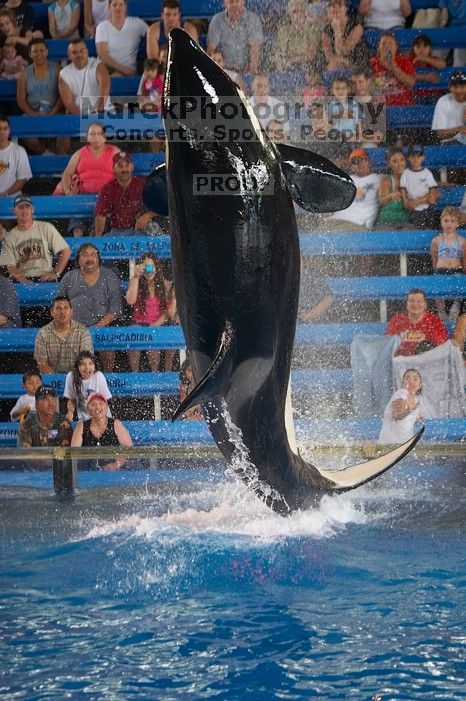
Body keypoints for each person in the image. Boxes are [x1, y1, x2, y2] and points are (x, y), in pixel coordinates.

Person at [58, 243, 123, 371]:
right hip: (74, 329)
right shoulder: (69, 277)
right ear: (78, 259)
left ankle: (106, 382)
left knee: (108, 346)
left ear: (99, 258)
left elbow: (114, 310)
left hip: (102, 328)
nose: (89, 258)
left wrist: (96, 328)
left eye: (93, 254)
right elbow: (59, 305)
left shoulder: (110, 277)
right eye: (85, 255)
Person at [54, 121, 120, 235]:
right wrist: (68, 192)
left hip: (106, 196)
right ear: (87, 137)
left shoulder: (114, 151)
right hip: (83, 195)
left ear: (104, 136)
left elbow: (123, 173)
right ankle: (77, 244)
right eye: (92, 134)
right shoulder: (80, 153)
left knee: (97, 227)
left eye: (98, 133)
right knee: (77, 226)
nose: (95, 137)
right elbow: (67, 173)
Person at [0, 195, 71, 283]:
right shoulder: (10, 237)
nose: (24, 210)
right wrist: (23, 280)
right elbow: (10, 266)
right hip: (22, 279)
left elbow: (66, 251)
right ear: (14, 211)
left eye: (27, 206)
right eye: (20, 207)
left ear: (32, 209)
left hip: (46, 277)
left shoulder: (46, 227)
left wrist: (55, 273)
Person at [16, 39, 68, 157]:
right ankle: (46, 153)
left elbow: (63, 96)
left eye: (42, 50)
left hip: (55, 111)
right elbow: (21, 100)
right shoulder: (24, 74)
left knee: (66, 129)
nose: (39, 53)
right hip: (33, 113)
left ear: (47, 52)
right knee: (23, 129)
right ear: (30, 54)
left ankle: (61, 162)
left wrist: (52, 112)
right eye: (35, 51)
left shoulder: (57, 69)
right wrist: (32, 114)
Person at [125, 252, 175, 372]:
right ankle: (135, 376)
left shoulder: (165, 285)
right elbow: (130, 301)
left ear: (157, 268)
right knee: (134, 335)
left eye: (151, 267)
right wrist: (136, 277)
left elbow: (168, 313)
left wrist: (154, 325)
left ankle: (155, 377)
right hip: (139, 323)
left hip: (157, 324)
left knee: (154, 344)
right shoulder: (136, 280)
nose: (149, 271)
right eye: (145, 267)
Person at [94, 151, 156, 236]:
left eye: (127, 165)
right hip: (117, 232)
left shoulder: (143, 184)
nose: (124, 169)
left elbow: (163, 204)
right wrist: (98, 239)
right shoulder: (107, 189)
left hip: (141, 230)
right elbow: (101, 215)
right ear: (113, 168)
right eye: (120, 166)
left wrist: (148, 215)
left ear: (132, 167)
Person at [71, 393, 133, 470]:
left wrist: (116, 464)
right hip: (88, 473)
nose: (97, 407)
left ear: (106, 407)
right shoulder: (81, 426)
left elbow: (129, 449)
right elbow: (74, 453)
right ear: (88, 409)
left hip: (114, 473)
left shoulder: (116, 424)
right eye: (93, 404)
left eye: (101, 403)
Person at [33, 296, 94, 374]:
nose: (62, 312)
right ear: (52, 312)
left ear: (71, 311)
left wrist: (73, 380)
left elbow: (86, 361)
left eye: (66, 308)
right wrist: (57, 380)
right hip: (51, 381)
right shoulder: (43, 333)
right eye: (58, 308)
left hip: (78, 379)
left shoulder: (83, 332)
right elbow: (42, 364)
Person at [326, 147, 380, 230]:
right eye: (354, 162)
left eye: (362, 160)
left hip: (357, 223)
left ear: (369, 161)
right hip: (335, 220)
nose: (359, 164)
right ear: (351, 166)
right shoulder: (346, 179)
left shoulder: (379, 179)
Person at [385, 288, 449, 356]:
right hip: (401, 362)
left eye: (419, 301)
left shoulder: (434, 321)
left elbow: (441, 347)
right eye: (411, 301)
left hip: (426, 362)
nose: (415, 304)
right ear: (406, 304)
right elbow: (388, 345)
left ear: (425, 304)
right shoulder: (397, 320)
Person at [59, 38, 113, 115]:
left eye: (82, 51)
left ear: (87, 52)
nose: (79, 54)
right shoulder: (63, 74)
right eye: (74, 52)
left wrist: (98, 112)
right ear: (69, 55)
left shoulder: (98, 65)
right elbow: (69, 103)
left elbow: (105, 87)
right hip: (77, 115)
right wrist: (83, 120)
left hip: (102, 111)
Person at [207, 0, 263, 74]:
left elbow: (255, 48)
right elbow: (211, 49)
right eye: (231, 1)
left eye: (237, 1)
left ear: (243, 2)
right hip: (223, 71)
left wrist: (252, 71)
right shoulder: (217, 20)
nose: (234, 5)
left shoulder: (253, 20)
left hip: (245, 71)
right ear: (225, 3)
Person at [95, 0, 148, 76]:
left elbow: (152, 34)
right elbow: (102, 55)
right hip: (107, 69)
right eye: (114, 5)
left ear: (125, 7)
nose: (117, 8)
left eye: (121, 4)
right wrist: (123, 69)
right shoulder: (102, 27)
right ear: (109, 7)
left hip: (129, 70)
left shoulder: (137, 24)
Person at [378, 368, 431, 444]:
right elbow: (397, 416)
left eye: (415, 379)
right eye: (407, 378)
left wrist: (415, 418)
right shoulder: (401, 393)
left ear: (420, 385)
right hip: (390, 444)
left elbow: (406, 418)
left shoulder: (415, 400)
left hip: (406, 443)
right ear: (403, 383)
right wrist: (409, 410)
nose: (411, 381)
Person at [430, 206, 465, 319]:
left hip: (456, 269)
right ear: (441, 222)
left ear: (457, 223)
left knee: (459, 284)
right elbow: (434, 258)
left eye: (452, 221)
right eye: (446, 220)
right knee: (437, 287)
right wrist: (437, 268)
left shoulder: (462, 241)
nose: (449, 224)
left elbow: (464, 260)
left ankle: (456, 305)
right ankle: (441, 311)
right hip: (441, 269)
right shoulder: (436, 240)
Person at [399, 143, 440, 229]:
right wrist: (406, 202)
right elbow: (403, 190)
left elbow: (432, 195)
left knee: (428, 228)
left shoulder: (427, 173)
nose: (415, 159)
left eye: (418, 156)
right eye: (413, 156)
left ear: (423, 157)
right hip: (414, 209)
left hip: (427, 207)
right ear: (408, 158)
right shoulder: (405, 173)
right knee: (417, 229)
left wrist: (419, 201)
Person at [370, 31, 415, 106]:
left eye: (390, 43)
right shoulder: (371, 63)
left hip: (402, 107)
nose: (387, 46)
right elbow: (366, 88)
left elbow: (411, 83)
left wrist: (393, 67)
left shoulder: (404, 62)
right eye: (383, 43)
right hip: (378, 108)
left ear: (396, 47)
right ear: (378, 47)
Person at [274, 0, 321, 72]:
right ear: (290, 14)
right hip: (287, 67)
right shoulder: (283, 30)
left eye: (300, 11)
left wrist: (292, 61)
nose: (297, 15)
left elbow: (311, 55)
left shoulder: (312, 28)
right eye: (294, 12)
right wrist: (279, 61)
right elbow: (278, 52)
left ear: (305, 13)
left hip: (307, 67)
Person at [64, 350, 111, 421]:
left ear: (95, 366)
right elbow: (72, 400)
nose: (87, 367)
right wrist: (70, 412)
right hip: (84, 420)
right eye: (83, 364)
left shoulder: (99, 376)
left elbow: (105, 402)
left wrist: (102, 419)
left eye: (90, 363)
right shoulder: (71, 376)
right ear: (77, 367)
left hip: (102, 416)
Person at [321, 0, 367, 72]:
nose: (335, 8)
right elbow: (328, 56)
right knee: (331, 67)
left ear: (346, 8)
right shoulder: (326, 30)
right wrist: (338, 61)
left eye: (339, 4)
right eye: (331, 5)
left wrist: (337, 31)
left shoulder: (357, 24)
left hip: (356, 65)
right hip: (337, 65)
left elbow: (343, 52)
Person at [375, 147, 410, 229]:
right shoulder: (386, 180)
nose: (399, 164)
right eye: (395, 161)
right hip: (386, 222)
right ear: (388, 163)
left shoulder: (411, 179)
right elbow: (382, 201)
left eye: (402, 160)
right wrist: (391, 195)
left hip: (405, 222)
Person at [431, 70, 466, 145]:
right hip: (450, 144)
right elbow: (440, 135)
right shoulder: (443, 101)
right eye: (455, 86)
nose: (459, 90)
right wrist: (459, 129)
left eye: (462, 86)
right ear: (450, 87)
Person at [0, 116, 32, 198]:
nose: (2, 132)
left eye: (5, 128)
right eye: (0, 128)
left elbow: (21, 181)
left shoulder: (19, 151)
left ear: (9, 130)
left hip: (12, 200)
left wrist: (5, 194)